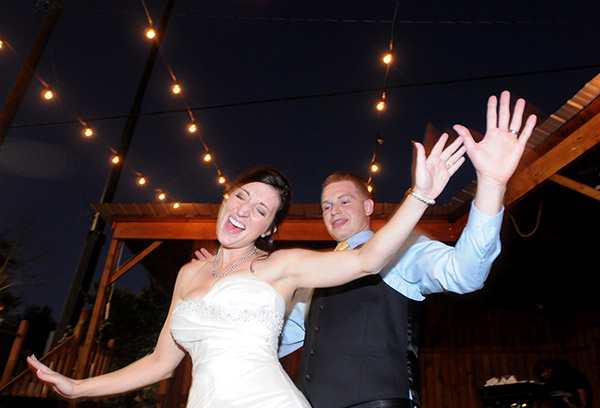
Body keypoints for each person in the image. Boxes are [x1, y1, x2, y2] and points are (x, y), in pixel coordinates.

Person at [26, 122, 466, 407]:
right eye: (242, 197)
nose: (244, 211)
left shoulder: (281, 269)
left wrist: (420, 195)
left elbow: (369, 259)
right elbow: (160, 364)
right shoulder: (188, 275)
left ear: (268, 229)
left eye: (261, 211)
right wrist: (79, 386)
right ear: (225, 200)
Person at [279, 90, 538, 408]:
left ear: (369, 206)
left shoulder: (403, 249)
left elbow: (465, 273)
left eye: (345, 201)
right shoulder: (316, 273)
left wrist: (492, 184)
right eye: (327, 206)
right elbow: (273, 339)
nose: (334, 211)